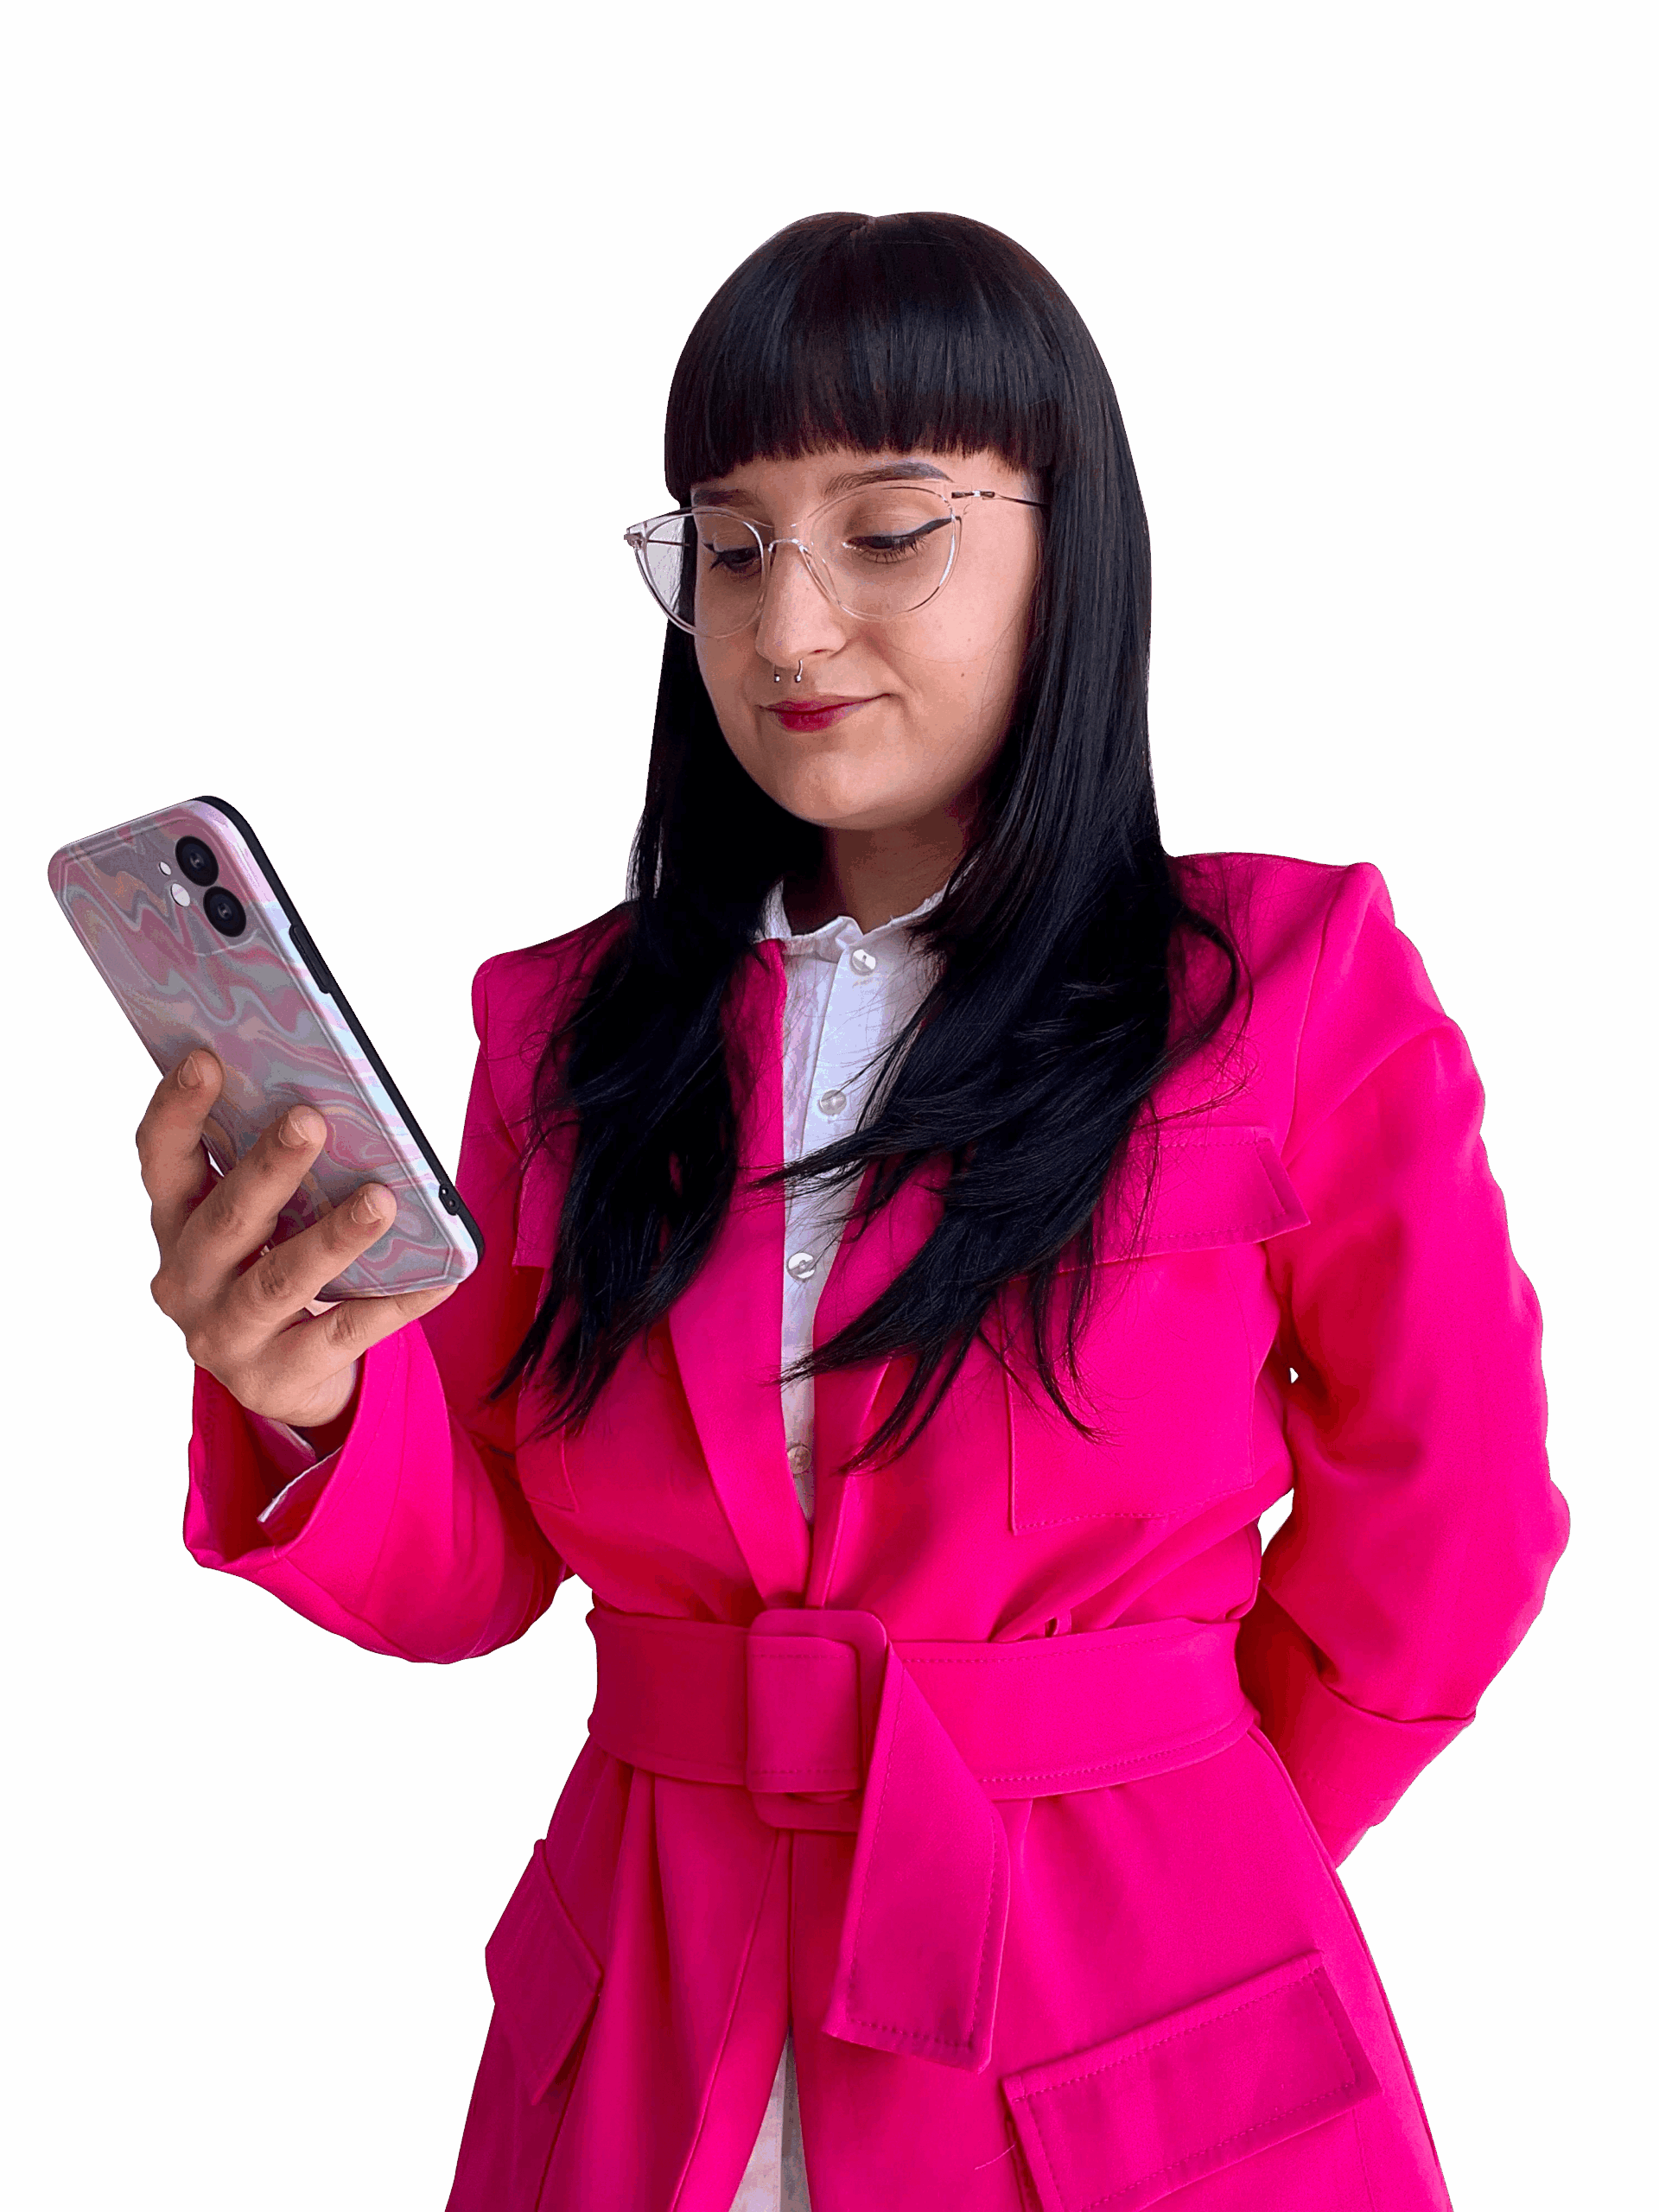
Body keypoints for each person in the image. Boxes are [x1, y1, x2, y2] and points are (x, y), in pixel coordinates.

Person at [137, 212, 1568, 2212]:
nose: (788, 627)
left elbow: (1453, 1532)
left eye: (887, 531)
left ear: (1074, 549)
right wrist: (308, 1401)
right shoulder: (565, 1029)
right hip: (657, 2003)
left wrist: (1186, 1845)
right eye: (730, 548)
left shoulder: (1287, 985)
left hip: (1132, 2017)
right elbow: (473, 1569)